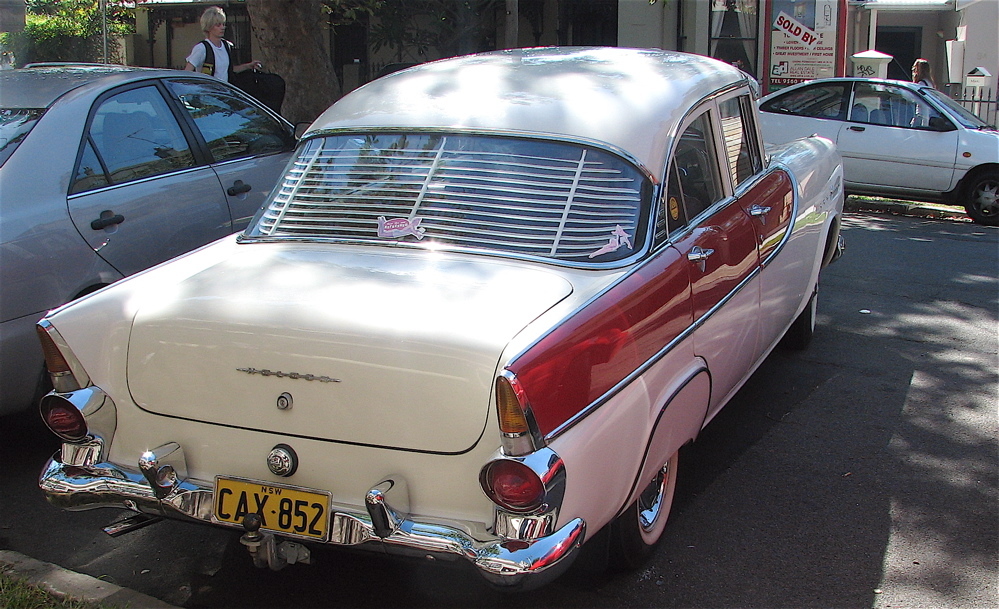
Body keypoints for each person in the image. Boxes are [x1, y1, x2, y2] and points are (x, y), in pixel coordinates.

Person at [184, 6, 260, 83]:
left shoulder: (227, 46)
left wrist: (248, 66)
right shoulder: (201, 48)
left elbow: (229, 70)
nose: (222, 27)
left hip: (223, 92)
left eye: (223, 24)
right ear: (209, 27)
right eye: (218, 25)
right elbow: (187, 72)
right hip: (207, 91)